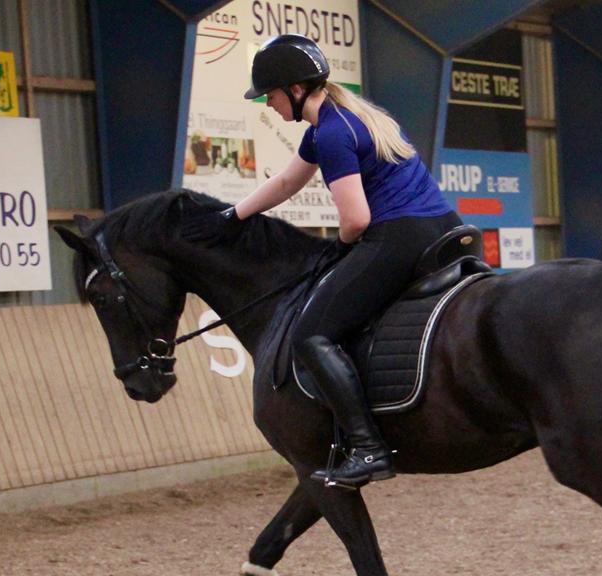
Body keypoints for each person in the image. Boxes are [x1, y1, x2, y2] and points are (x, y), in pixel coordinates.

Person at [198, 34, 462, 488]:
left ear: (296, 90)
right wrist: (234, 214)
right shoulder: (354, 117)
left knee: (312, 333)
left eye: (272, 96)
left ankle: (368, 447)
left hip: (398, 237)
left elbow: (356, 220)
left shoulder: (334, 133)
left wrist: (342, 246)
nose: (270, 105)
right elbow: (286, 183)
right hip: (446, 230)